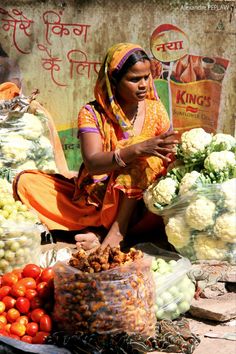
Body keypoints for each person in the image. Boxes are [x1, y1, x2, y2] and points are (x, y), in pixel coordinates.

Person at [13, 42, 178, 252]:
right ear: (114, 81)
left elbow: (166, 152)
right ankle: (100, 231)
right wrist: (135, 149)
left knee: (149, 159)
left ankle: (117, 231)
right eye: (134, 79)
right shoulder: (91, 113)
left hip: (139, 204)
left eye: (146, 77)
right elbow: (92, 164)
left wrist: (147, 152)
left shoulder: (155, 109)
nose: (143, 84)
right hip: (97, 197)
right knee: (26, 182)